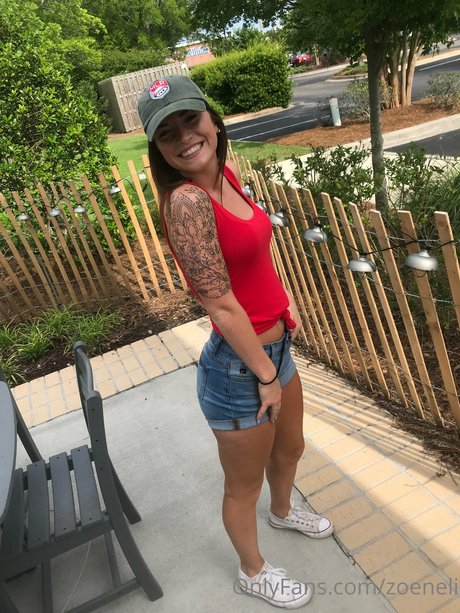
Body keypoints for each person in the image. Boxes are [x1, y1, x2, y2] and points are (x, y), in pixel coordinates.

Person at [137, 75, 334, 609]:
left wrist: (284, 301)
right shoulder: (187, 202)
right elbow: (220, 304)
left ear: (213, 121)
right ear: (158, 149)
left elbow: (254, 254)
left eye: (191, 120)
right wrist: (265, 376)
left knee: (291, 448)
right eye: (167, 133)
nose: (185, 138)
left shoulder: (226, 173)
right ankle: (253, 570)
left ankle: (284, 512)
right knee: (242, 487)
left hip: (275, 349)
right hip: (240, 369)